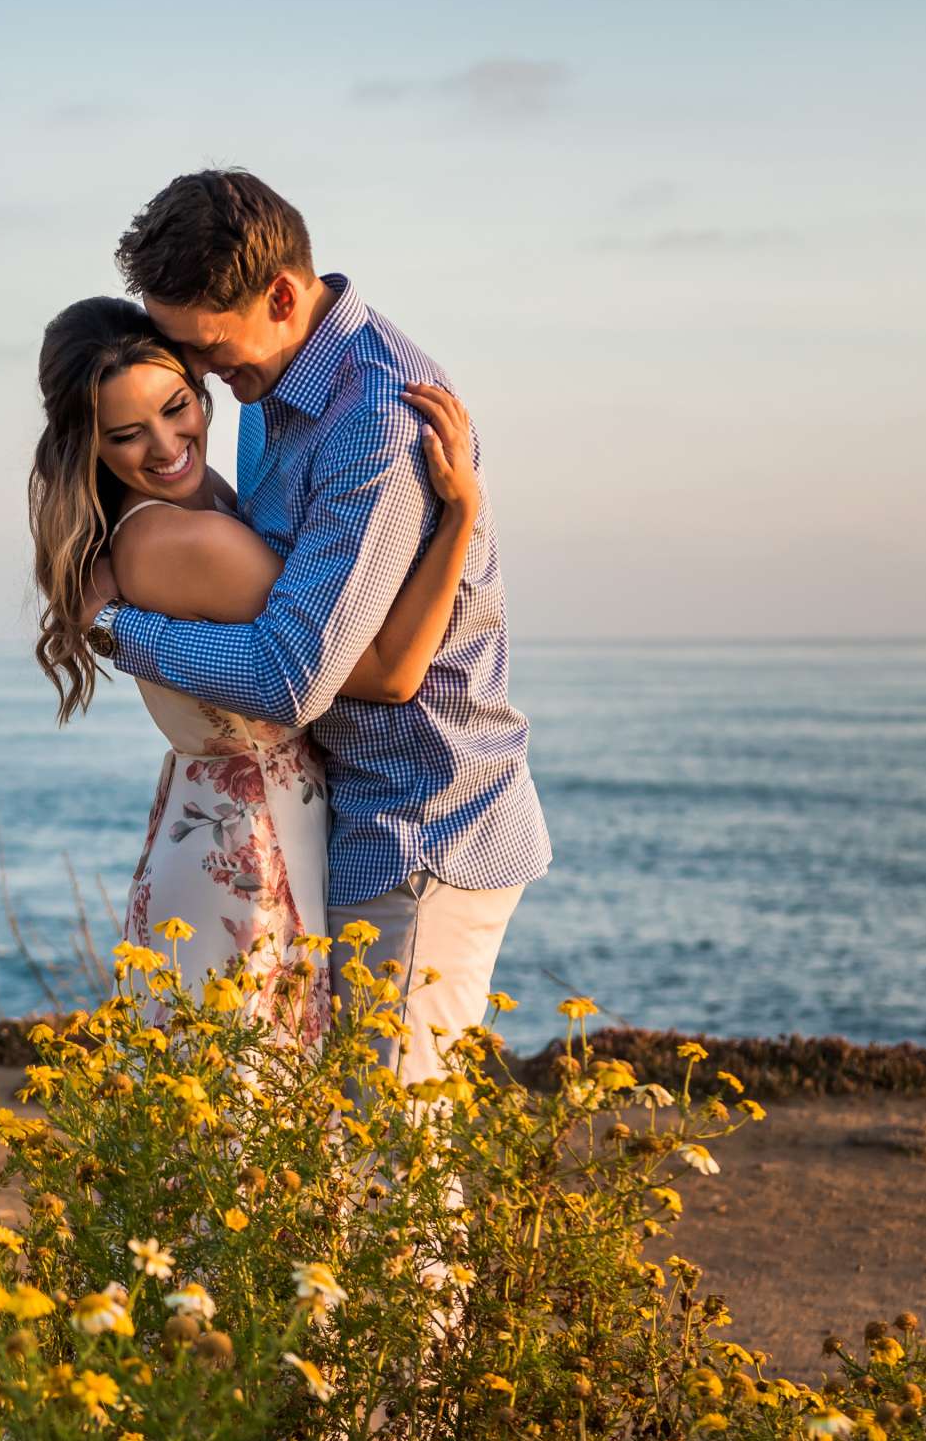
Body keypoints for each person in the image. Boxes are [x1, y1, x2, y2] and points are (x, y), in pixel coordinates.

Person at [78, 169, 552, 1087]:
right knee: (349, 1146)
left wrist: (119, 631)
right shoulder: (277, 391)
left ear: (283, 296)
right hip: (355, 812)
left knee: (396, 1151)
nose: (204, 378)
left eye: (207, 350)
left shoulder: (373, 416)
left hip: (423, 818)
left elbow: (298, 675)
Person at [29, 296, 481, 1045]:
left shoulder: (188, 508)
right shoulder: (186, 539)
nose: (169, 445)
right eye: (127, 434)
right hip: (246, 850)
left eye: (177, 408)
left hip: (228, 831)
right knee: (248, 1117)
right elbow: (387, 671)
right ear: (90, 448)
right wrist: (461, 516)